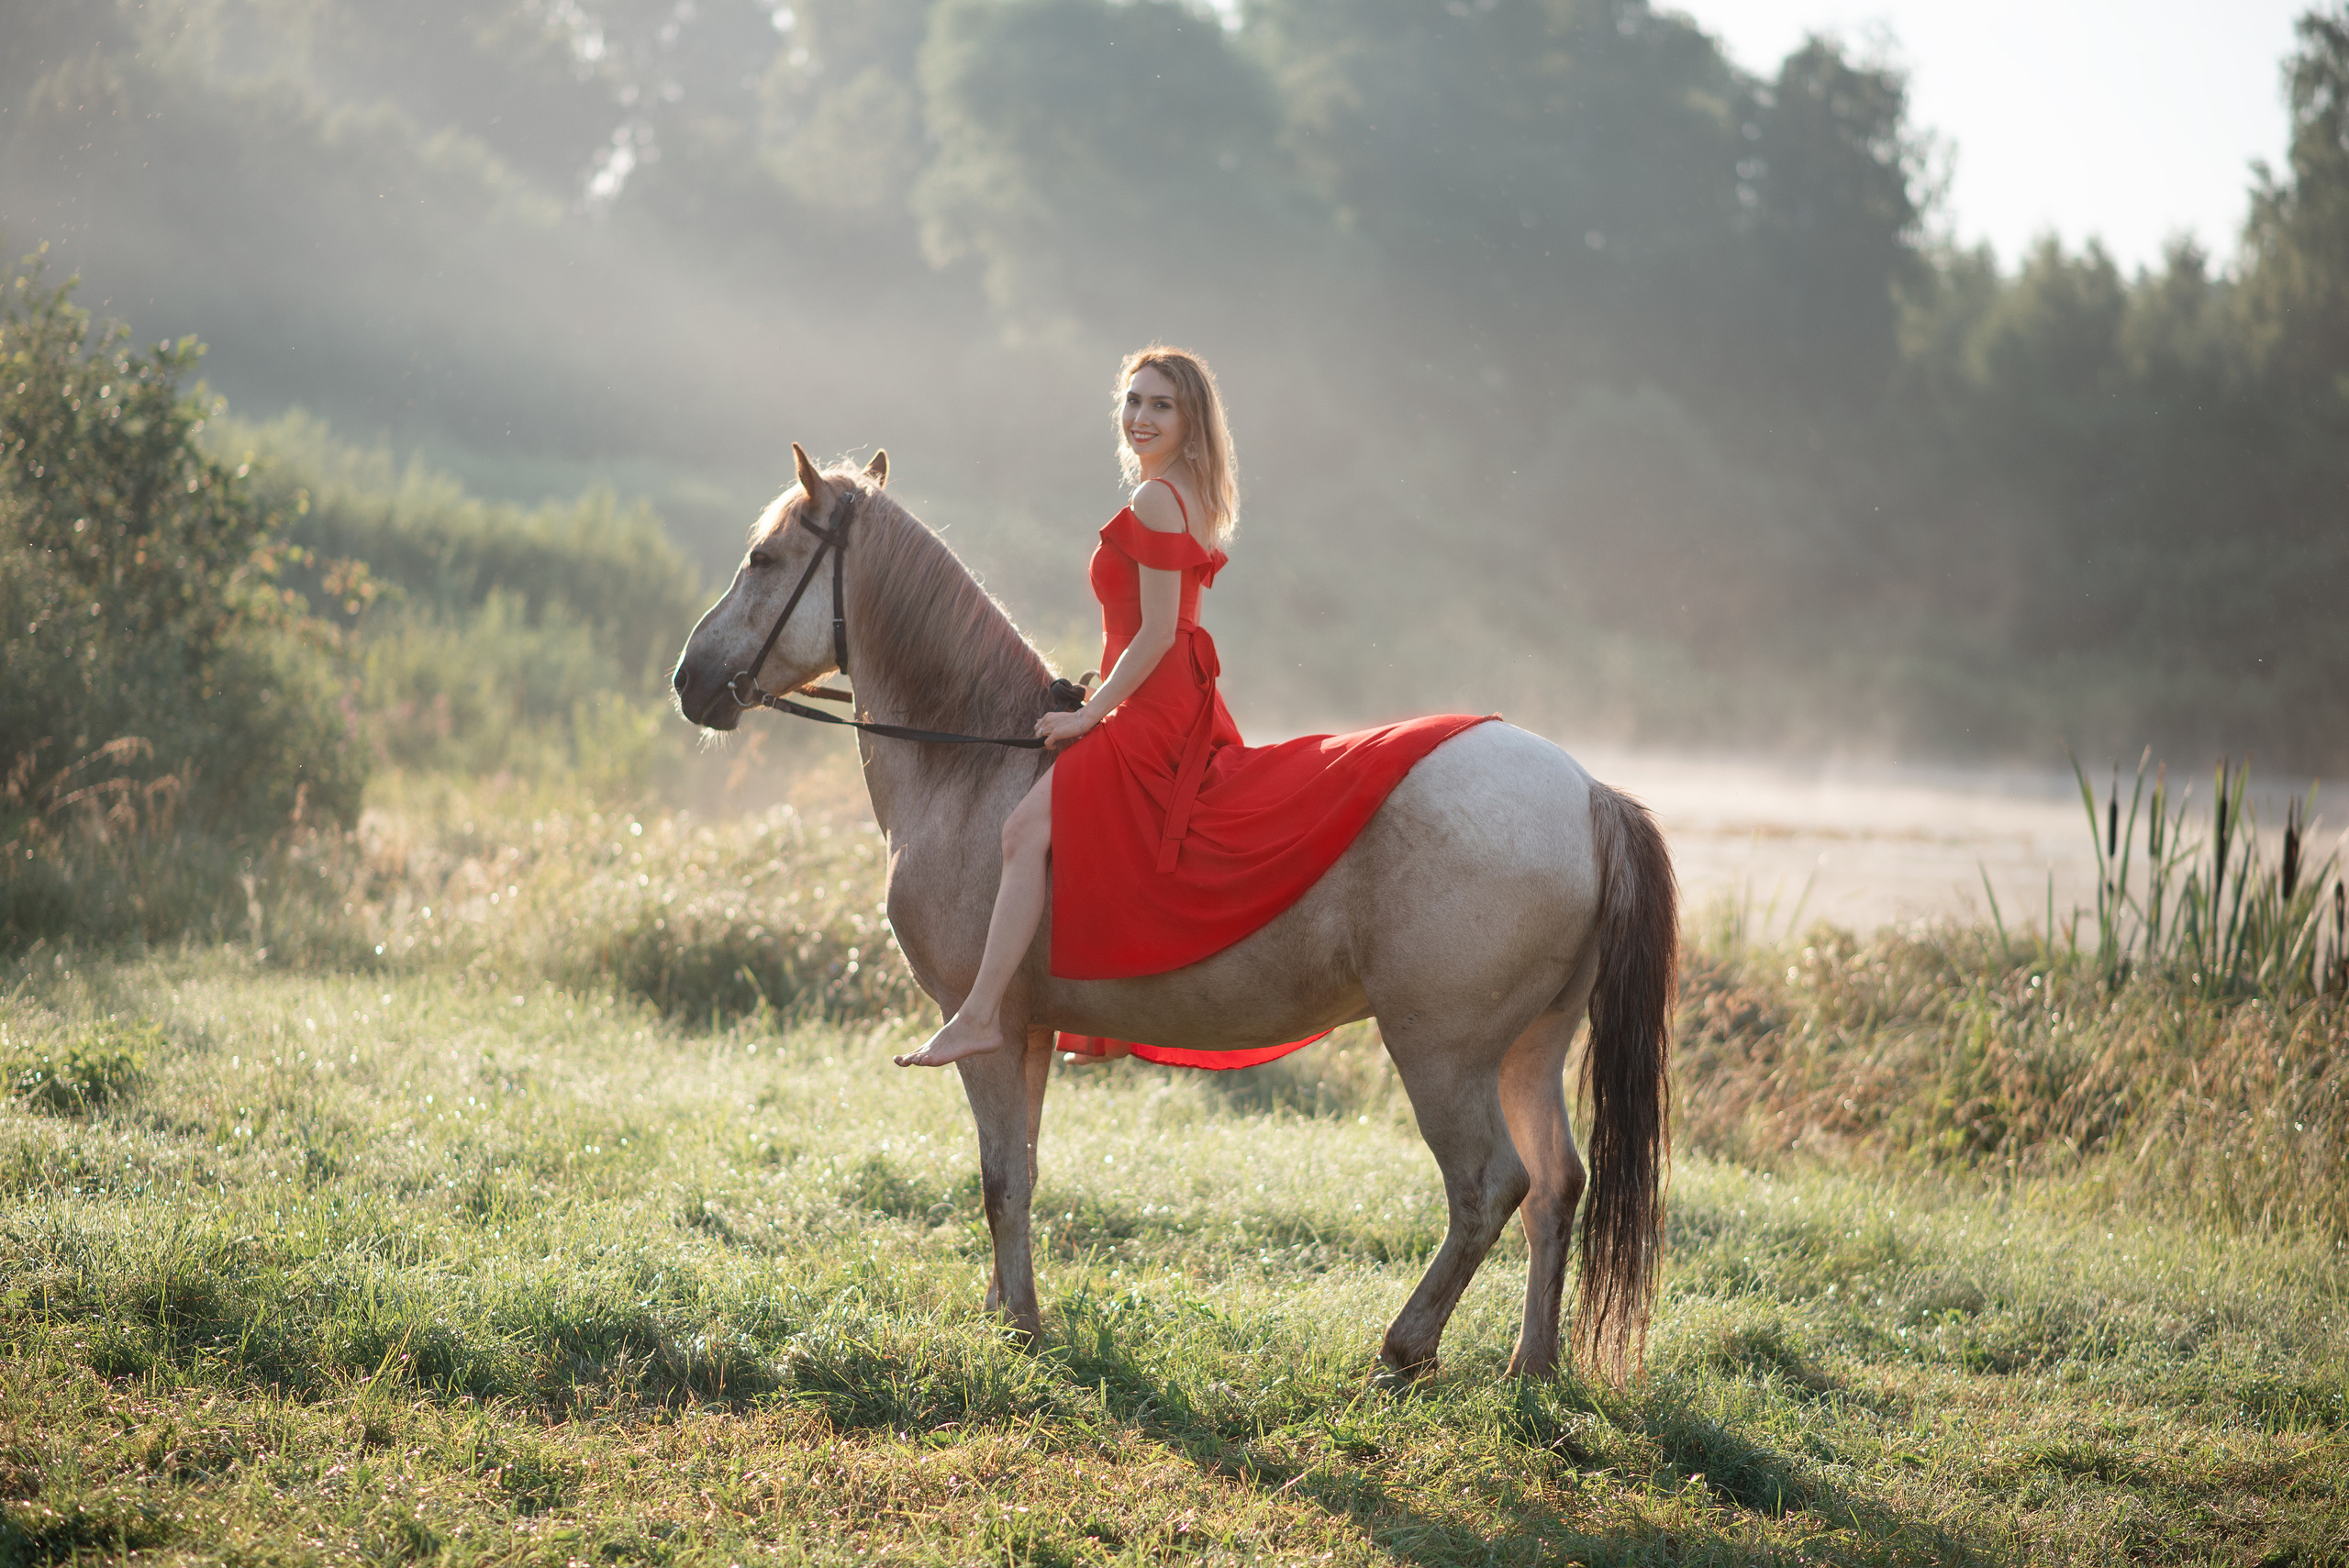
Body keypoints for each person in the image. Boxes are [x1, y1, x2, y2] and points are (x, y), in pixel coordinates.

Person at [895, 347, 1486, 1070]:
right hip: (1162, 694)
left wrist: (1092, 714)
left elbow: (1155, 632)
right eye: (1134, 401)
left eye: (1161, 405)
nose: (1141, 417)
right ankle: (1090, 1011)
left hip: (1153, 703)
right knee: (1104, 837)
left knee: (1022, 833)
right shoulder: (1187, 493)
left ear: (1191, 420)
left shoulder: (1156, 499)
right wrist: (1100, 693)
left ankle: (980, 1013)